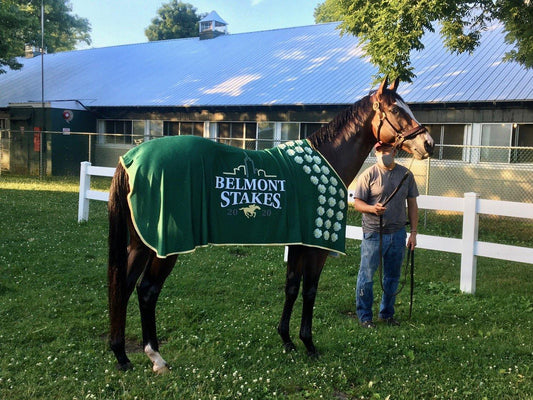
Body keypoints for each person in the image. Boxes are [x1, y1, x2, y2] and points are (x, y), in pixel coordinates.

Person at [353, 141, 418, 328]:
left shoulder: (406, 175)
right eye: (381, 150)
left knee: (392, 277)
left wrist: (413, 233)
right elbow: (358, 203)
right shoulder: (368, 175)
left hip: (398, 234)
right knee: (367, 275)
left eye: (388, 150)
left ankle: (387, 314)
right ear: (376, 152)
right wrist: (372, 209)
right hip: (373, 234)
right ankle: (365, 316)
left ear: (395, 151)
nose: (384, 154)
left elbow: (412, 205)